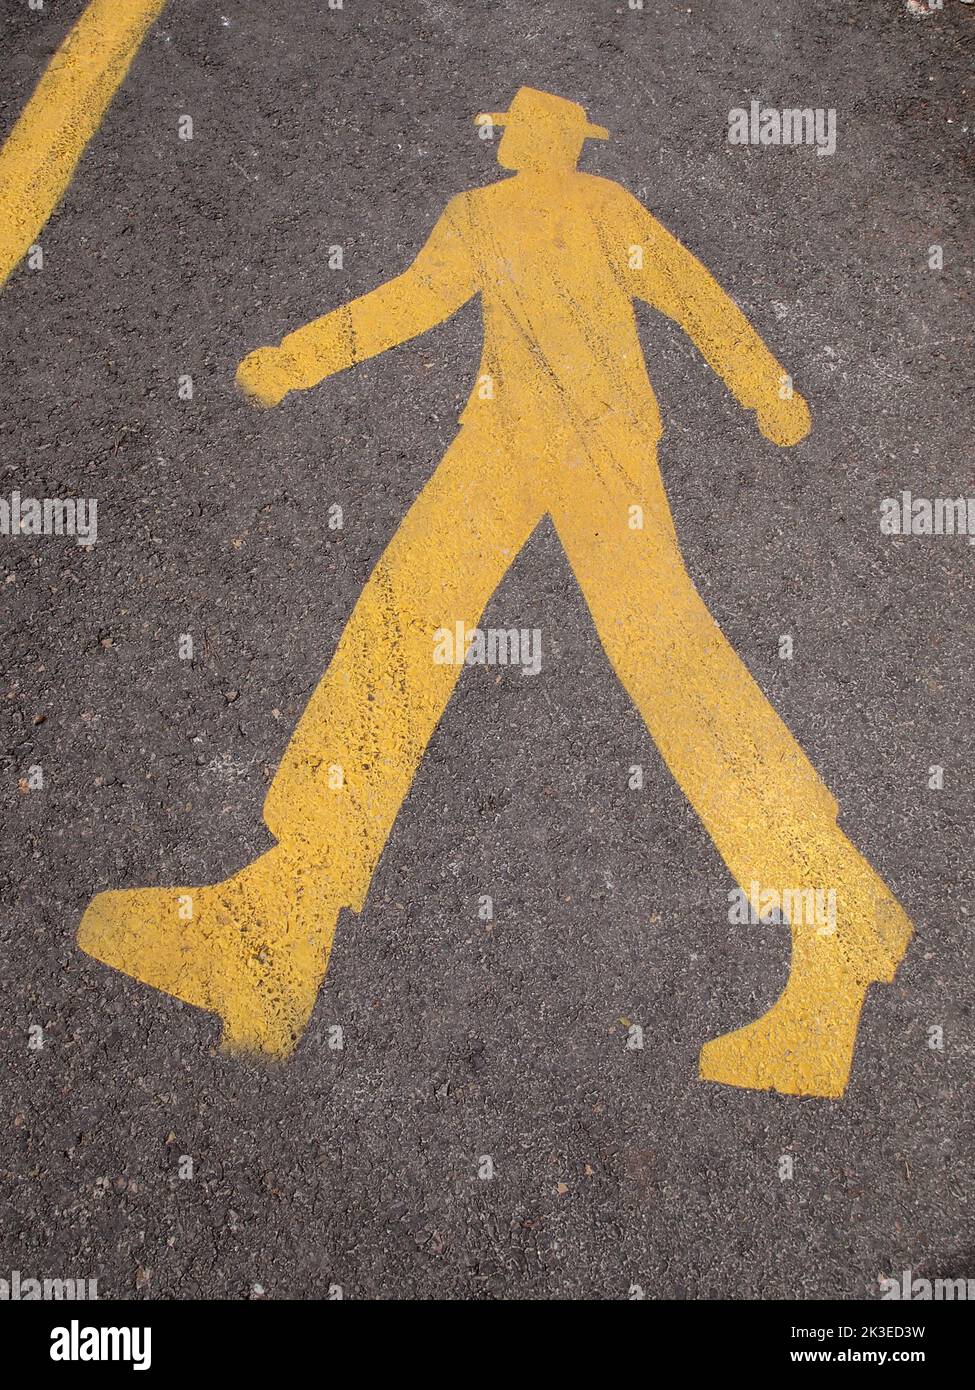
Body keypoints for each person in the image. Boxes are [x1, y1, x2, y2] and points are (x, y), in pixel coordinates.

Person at [79, 88, 911, 1097]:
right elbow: (691, 296)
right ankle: (279, 912)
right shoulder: (576, 208)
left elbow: (410, 305)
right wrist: (768, 390)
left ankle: (836, 914)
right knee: (470, 628)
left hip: (569, 448)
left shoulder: (515, 211)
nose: (521, 144)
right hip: (527, 447)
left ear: (526, 142)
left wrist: (292, 362)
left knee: (621, 654)